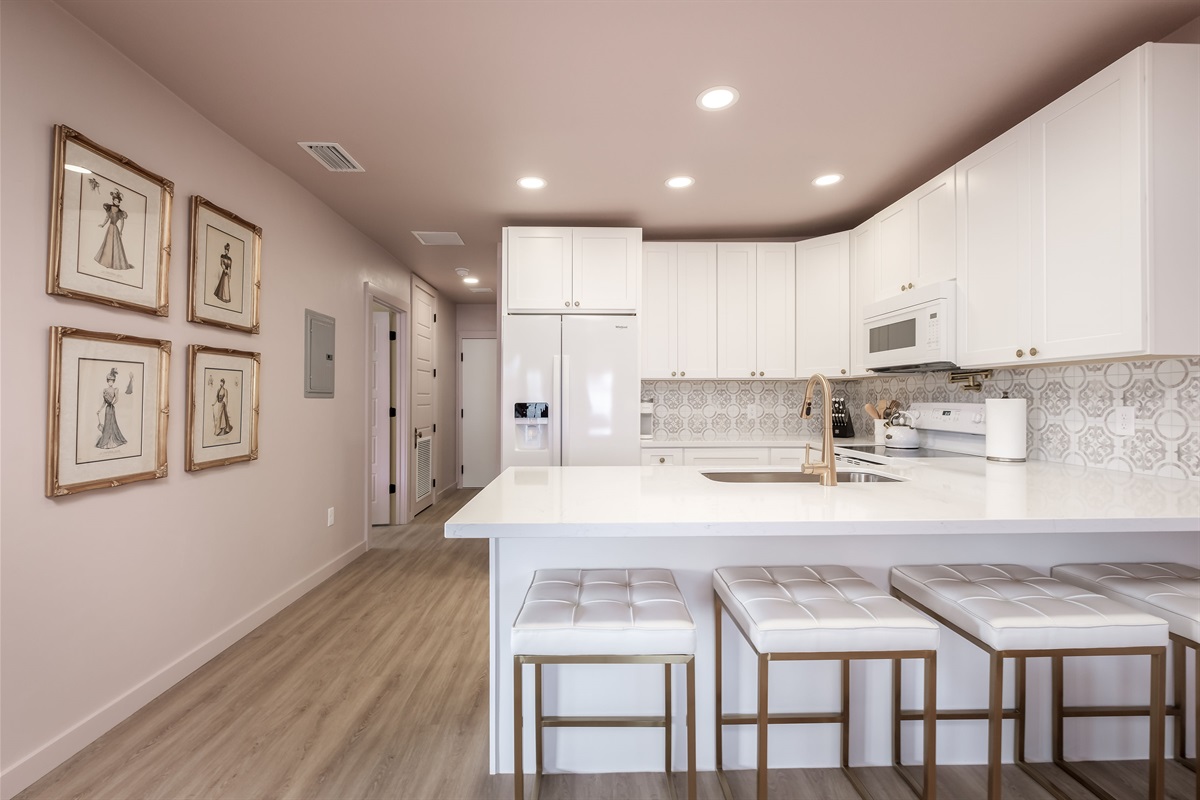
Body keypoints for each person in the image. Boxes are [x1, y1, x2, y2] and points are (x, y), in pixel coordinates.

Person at [95, 189, 132, 271]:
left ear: (119, 202)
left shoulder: (120, 212)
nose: (116, 202)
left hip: (115, 229)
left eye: (118, 201)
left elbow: (122, 223)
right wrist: (103, 224)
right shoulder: (109, 208)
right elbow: (107, 217)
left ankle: (115, 263)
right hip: (110, 228)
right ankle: (107, 262)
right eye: (115, 200)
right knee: (108, 244)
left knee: (115, 245)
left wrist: (121, 231)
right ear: (113, 200)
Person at [96, 368, 127, 449]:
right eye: (109, 381)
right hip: (107, 409)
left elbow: (117, 399)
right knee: (107, 423)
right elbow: (104, 402)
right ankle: (106, 440)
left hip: (111, 408)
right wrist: (99, 409)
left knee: (112, 423)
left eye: (112, 381)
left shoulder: (115, 389)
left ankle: (113, 440)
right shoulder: (105, 390)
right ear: (107, 381)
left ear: (114, 382)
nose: (110, 382)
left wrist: (112, 404)